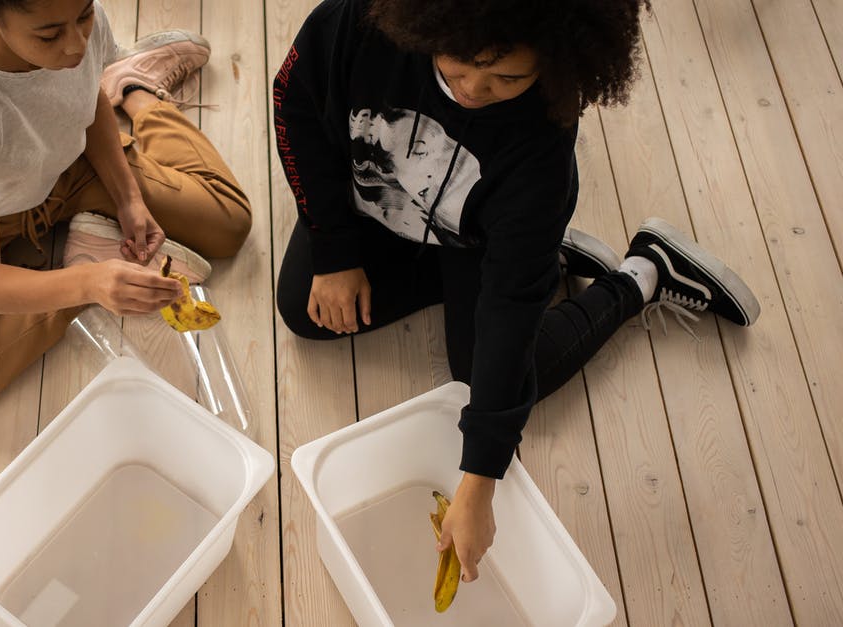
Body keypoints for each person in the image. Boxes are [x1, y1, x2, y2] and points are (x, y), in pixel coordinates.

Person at [274, 0, 759, 584]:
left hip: (477, 237)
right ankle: (541, 256)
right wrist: (335, 252)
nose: (474, 89)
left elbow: (507, 309)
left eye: (508, 77)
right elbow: (294, 103)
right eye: (457, 64)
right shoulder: (363, 19)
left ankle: (644, 273)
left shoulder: (541, 145)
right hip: (383, 201)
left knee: (489, 374)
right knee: (305, 309)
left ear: (554, 66)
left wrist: (480, 478)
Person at [0, 0, 251, 423]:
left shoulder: (77, 19)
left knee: (229, 223)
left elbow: (89, 103)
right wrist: (88, 282)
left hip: (70, 169)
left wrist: (128, 198)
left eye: (84, 17)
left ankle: (139, 91)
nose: (76, 46)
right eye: (49, 35)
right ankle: (90, 265)